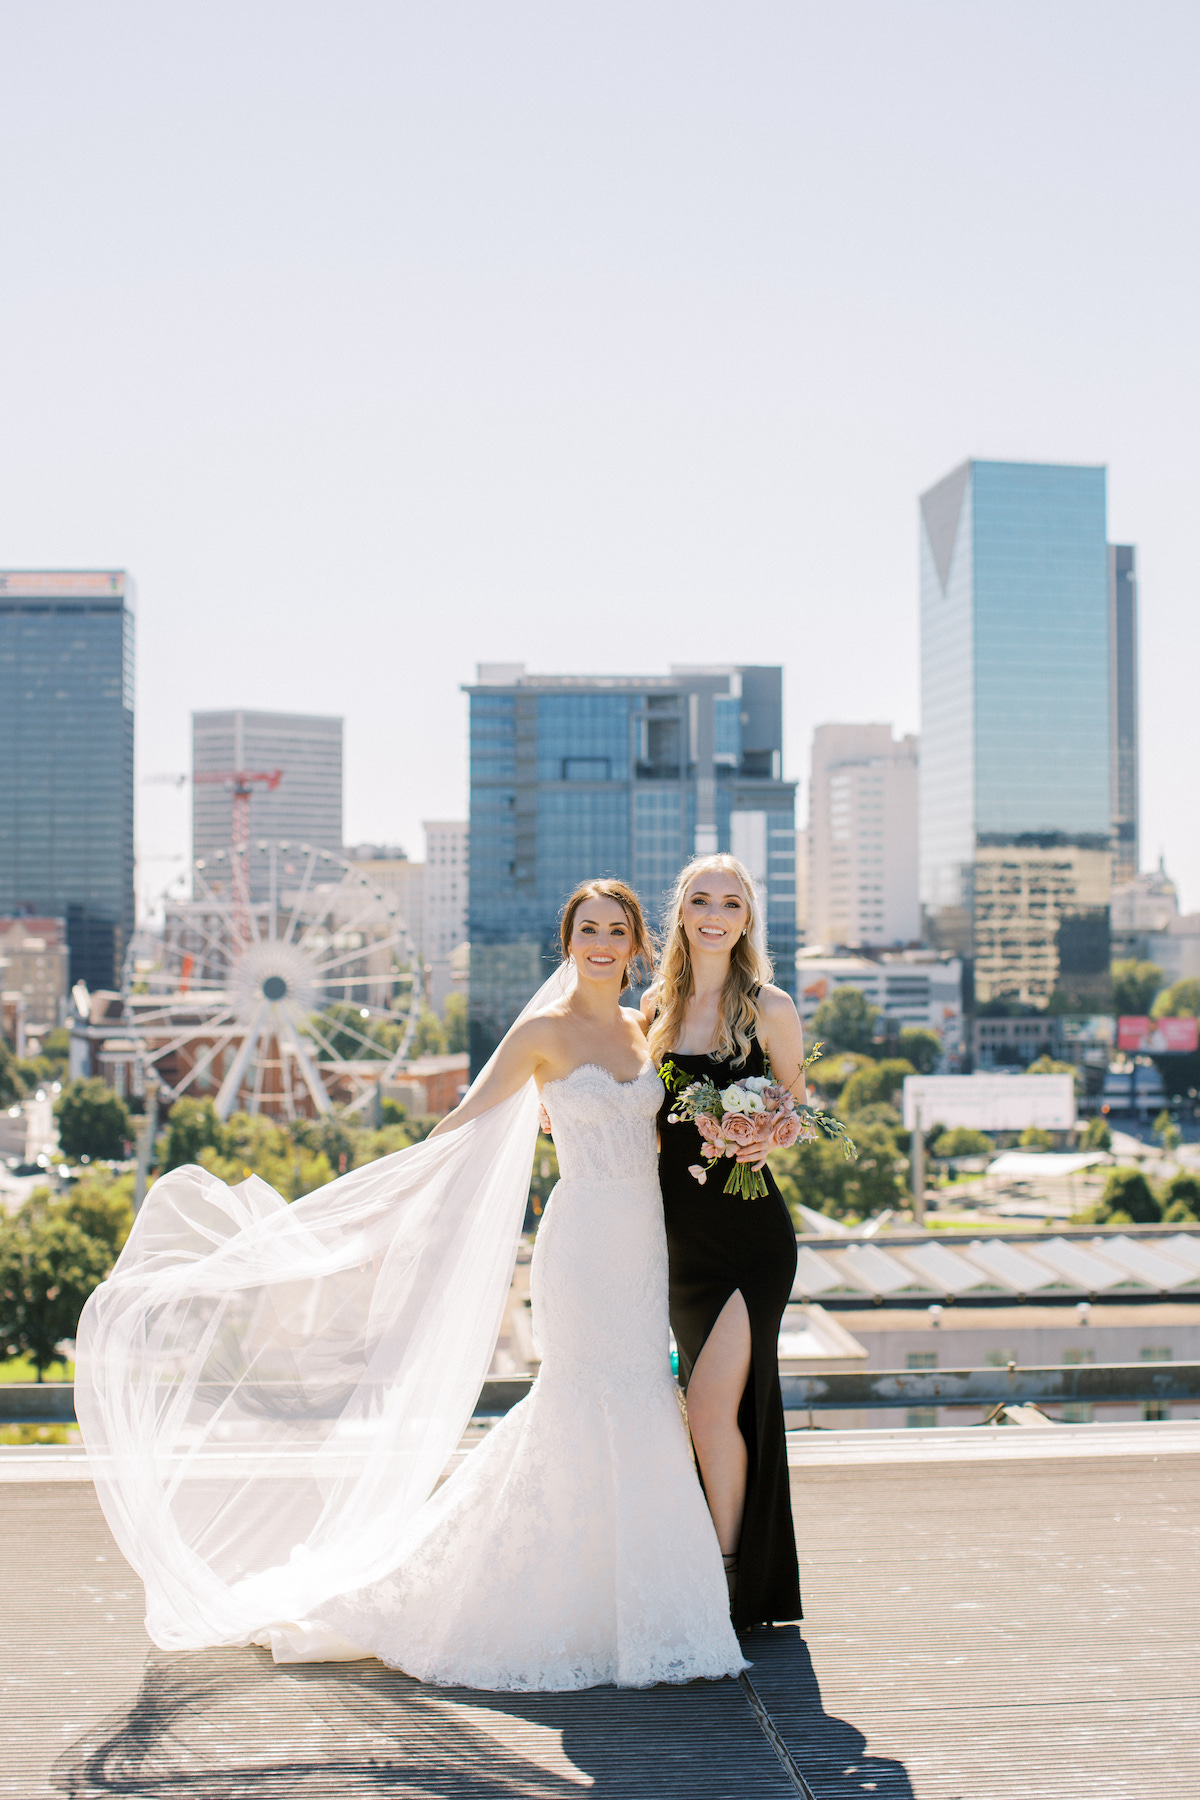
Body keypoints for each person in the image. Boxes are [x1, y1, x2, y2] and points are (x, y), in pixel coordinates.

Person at [76, 878, 744, 1693]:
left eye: (616, 930)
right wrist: (390, 1215)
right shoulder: (541, 1031)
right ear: (568, 943)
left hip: (644, 1245)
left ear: (639, 945)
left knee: (642, 1392)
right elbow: (462, 1122)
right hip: (580, 1246)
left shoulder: (648, 1033)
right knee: (581, 1396)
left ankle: (639, 1610)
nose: (602, 944)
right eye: (587, 930)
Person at [642, 854, 805, 1630]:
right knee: (704, 1410)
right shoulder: (654, 1012)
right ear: (681, 913)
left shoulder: (769, 1007)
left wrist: (767, 1134)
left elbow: (798, 1107)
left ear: (747, 919)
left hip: (749, 1239)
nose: (714, 913)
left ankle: (728, 1585)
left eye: (730, 902)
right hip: (677, 1244)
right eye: (700, 899)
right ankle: (725, 1570)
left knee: (711, 1409)